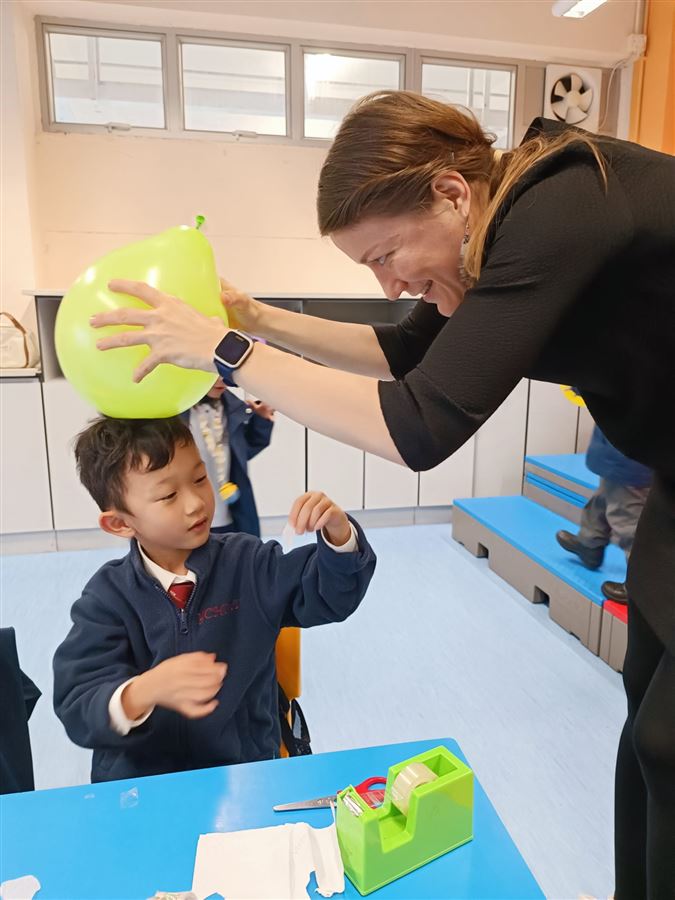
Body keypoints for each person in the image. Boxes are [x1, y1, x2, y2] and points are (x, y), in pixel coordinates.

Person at [91, 91, 675, 898]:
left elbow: (422, 424)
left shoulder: (562, 205)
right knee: (646, 725)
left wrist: (225, 350)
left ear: (450, 192)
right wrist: (254, 318)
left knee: (668, 740)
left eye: (385, 254)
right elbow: (405, 353)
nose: (390, 284)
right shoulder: (499, 224)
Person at [53, 416, 376, 783]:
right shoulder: (107, 597)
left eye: (199, 478)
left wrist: (338, 534)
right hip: (145, 785)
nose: (196, 503)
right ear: (120, 523)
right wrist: (142, 692)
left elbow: (331, 597)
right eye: (168, 496)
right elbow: (78, 702)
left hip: (244, 772)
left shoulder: (248, 562)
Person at [557, 425, 652, 603]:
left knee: (628, 521)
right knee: (601, 500)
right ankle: (589, 546)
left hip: (630, 458)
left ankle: (641, 586)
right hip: (615, 452)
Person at [181, 376, 274, 537]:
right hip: (188, 517)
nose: (223, 380)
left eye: (225, 371)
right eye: (213, 372)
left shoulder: (231, 409)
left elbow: (244, 451)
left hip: (229, 515)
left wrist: (261, 421)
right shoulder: (176, 411)